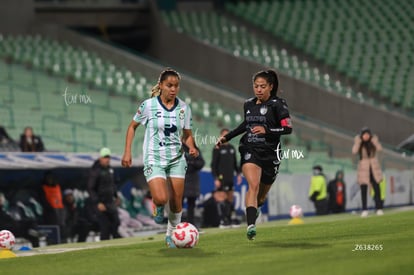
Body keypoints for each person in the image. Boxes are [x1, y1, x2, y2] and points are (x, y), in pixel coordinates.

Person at [121, 68, 199, 248]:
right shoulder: (148, 105)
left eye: (176, 86)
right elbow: (132, 127)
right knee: (162, 198)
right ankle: (157, 205)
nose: (173, 89)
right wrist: (127, 152)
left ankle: (171, 235)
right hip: (154, 158)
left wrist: (192, 146)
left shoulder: (184, 108)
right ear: (161, 86)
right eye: (169, 85)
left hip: (176, 159)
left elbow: (187, 134)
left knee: (177, 200)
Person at [216, 69, 292, 240]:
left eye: (262, 86)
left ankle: (256, 208)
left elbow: (288, 128)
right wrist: (226, 137)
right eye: (256, 86)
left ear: (270, 87)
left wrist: (267, 130)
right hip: (250, 149)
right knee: (253, 185)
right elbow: (245, 124)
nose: (258, 89)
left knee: (262, 196)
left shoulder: (279, 104)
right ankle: (250, 225)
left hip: (271, 154)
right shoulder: (248, 104)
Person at [88, 147, 121, 240]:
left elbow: (112, 185)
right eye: (105, 157)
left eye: (108, 157)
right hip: (101, 203)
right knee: (105, 228)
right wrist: (97, 203)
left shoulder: (110, 170)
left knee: (116, 223)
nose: (107, 159)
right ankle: (104, 246)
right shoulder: (95, 171)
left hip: (110, 202)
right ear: (100, 158)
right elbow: (91, 189)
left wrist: (116, 196)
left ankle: (117, 245)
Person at [211, 128, 242, 227]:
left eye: (228, 135)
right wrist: (216, 178)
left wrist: (238, 174)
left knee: (230, 199)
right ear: (220, 136)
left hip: (230, 177)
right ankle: (223, 220)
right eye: (224, 135)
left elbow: (235, 163)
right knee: (221, 198)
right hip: (221, 178)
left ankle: (229, 219)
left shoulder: (232, 148)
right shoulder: (217, 148)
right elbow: (213, 165)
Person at [352, 127, 384, 217]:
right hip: (364, 168)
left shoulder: (373, 142)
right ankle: (364, 209)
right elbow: (354, 151)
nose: (366, 136)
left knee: (377, 188)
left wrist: (375, 141)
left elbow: (380, 149)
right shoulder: (360, 143)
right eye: (364, 134)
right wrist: (358, 142)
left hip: (373, 167)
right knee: (363, 189)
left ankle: (379, 208)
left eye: (367, 134)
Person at [40, 171, 66, 244]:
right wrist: (49, 208)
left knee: (62, 230)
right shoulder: (43, 188)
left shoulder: (58, 187)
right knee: (52, 232)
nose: (50, 180)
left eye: (51, 178)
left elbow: (62, 198)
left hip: (60, 211)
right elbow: (43, 200)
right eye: (48, 178)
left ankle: (63, 243)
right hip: (50, 213)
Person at [183, 143, 205, 226]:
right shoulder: (177, 146)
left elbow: (201, 163)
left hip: (193, 180)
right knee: (177, 204)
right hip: (180, 178)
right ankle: (176, 225)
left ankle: (191, 225)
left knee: (191, 204)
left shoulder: (195, 148)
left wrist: (191, 162)